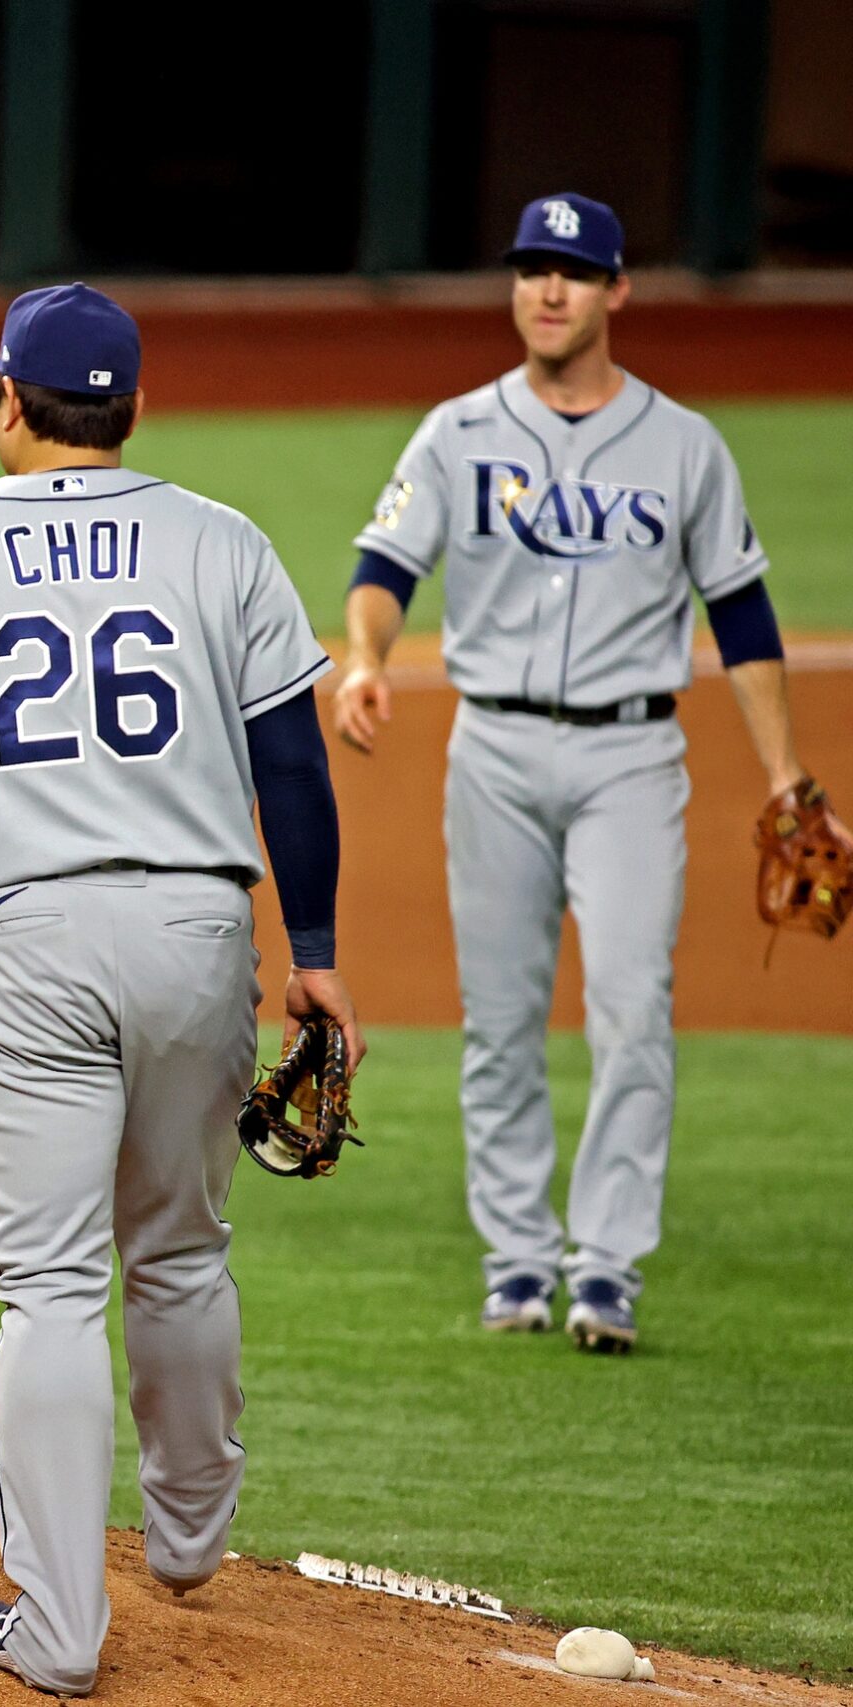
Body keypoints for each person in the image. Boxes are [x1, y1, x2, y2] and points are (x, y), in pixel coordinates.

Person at [0, 284, 356, 1693]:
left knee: (48, 1282)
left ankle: (55, 1629)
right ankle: (186, 1539)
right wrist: (317, 951)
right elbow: (290, 763)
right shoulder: (221, 540)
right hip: (195, 927)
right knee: (180, 1247)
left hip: (23, 935)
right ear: (130, 406)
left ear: (9, 403)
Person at [336, 192, 823, 1353]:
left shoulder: (682, 444)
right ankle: (516, 1263)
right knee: (499, 1022)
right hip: (494, 751)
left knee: (631, 1013)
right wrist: (362, 658)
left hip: (628, 757)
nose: (546, 290)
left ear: (616, 292)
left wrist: (786, 775)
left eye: (571, 271)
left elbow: (743, 615)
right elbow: (381, 567)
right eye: (529, 269)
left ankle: (604, 1269)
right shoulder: (456, 433)